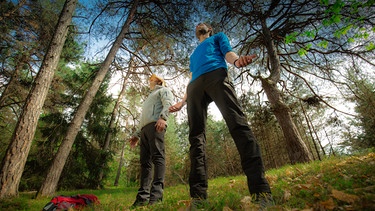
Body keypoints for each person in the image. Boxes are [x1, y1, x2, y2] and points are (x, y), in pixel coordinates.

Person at [169, 23, 273, 207]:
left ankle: (261, 192)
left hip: (216, 75)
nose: (199, 25)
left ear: (209, 30)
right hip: (194, 87)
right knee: (196, 139)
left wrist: (237, 61)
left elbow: (228, 53)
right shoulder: (193, 54)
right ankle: (198, 199)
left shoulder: (218, 37)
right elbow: (192, 76)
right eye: (197, 25)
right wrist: (182, 101)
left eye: (204, 24)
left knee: (238, 125)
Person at [129, 74, 173, 208]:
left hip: (156, 125)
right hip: (144, 131)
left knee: (158, 158)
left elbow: (168, 104)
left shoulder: (163, 90)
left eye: (151, 79)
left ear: (158, 80)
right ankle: (142, 198)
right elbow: (144, 117)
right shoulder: (149, 97)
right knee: (145, 163)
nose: (149, 82)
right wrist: (137, 135)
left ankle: (156, 196)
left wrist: (163, 118)